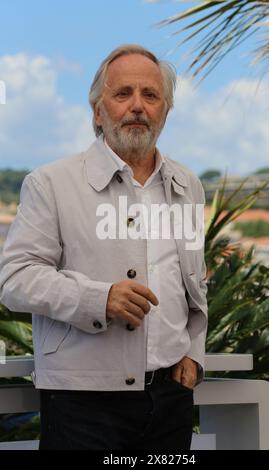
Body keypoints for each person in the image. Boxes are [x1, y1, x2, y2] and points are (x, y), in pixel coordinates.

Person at [0, 44, 207, 450]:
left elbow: (194, 284)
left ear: (165, 110)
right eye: (122, 94)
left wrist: (195, 353)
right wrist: (100, 299)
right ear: (98, 111)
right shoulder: (50, 183)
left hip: (173, 399)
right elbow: (15, 279)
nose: (137, 106)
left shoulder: (189, 186)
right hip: (83, 404)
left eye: (150, 95)